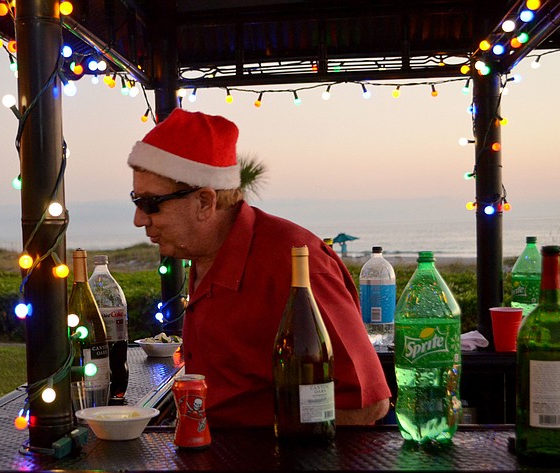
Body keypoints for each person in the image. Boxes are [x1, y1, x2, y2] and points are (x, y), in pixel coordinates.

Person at [127, 108, 391, 428]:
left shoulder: (296, 264)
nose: (139, 219)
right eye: (136, 201)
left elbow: (367, 404)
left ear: (205, 202)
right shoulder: (203, 255)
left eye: (150, 203)